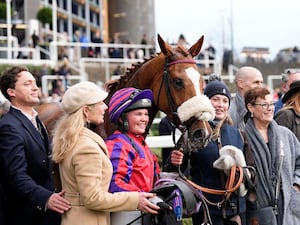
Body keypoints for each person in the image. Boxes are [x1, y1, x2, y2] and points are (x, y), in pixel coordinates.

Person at [51, 82, 160, 225]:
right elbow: (93, 198)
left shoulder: (74, 139)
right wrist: (135, 199)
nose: (105, 107)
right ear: (86, 111)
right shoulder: (86, 147)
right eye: (100, 103)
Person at [166, 80, 248, 225]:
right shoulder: (193, 133)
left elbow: (251, 172)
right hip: (205, 210)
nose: (220, 105)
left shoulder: (239, 134)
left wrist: (240, 173)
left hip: (235, 212)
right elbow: (172, 172)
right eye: (215, 99)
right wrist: (175, 162)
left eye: (224, 101)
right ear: (206, 102)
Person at [0, 66, 71, 225]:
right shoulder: (9, 127)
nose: (35, 87)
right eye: (27, 84)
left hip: (47, 212)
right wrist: (45, 197)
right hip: (28, 215)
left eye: (35, 83)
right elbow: (15, 175)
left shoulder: (36, 120)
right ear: (11, 92)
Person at [244, 86, 300, 225]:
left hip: (288, 209)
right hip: (258, 212)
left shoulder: (286, 135)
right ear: (250, 108)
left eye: (272, 104)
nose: (270, 108)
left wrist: (296, 186)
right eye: (264, 104)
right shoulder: (242, 138)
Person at [105, 87, 161, 225]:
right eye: (138, 114)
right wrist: (146, 195)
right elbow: (115, 184)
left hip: (144, 211)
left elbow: (156, 178)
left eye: (146, 114)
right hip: (128, 214)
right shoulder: (118, 145)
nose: (144, 119)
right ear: (123, 118)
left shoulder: (141, 143)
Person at [229, 66, 264, 131]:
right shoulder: (229, 113)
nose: (261, 86)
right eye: (256, 82)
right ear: (241, 83)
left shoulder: (265, 109)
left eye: (261, 82)